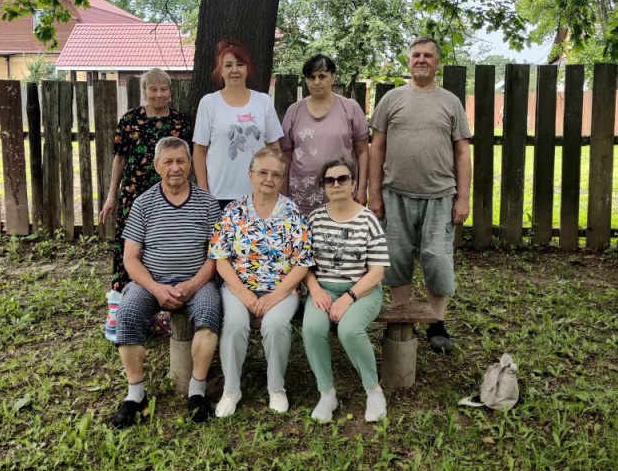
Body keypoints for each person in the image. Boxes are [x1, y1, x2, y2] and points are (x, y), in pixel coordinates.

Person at [368, 36, 472, 353]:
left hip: (440, 196)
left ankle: (437, 325)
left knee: (437, 259)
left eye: (428, 55)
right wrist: (374, 194)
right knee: (397, 259)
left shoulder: (451, 102)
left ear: (437, 62)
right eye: (416, 55)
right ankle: (404, 319)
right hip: (395, 194)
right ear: (408, 61)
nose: (422, 60)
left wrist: (463, 198)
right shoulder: (391, 99)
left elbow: (462, 152)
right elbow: (377, 148)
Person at [110, 137, 221, 428]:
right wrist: (157, 289)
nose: (175, 168)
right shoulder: (143, 203)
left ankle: (197, 391)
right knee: (128, 314)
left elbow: (215, 257)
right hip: (151, 281)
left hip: (197, 282)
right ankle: (136, 394)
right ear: (157, 166)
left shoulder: (208, 204)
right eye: (168, 162)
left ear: (190, 165)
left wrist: (193, 285)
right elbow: (131, 258)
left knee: (210, 316)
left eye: (181, 161)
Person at [208, 146, 314, 417]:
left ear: (282, 179)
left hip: (282, 288)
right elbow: (221, 259)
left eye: (276, 175)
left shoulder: (293, 213)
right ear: (250, 174)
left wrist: (274, 296)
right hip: (238, 287)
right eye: (263, 172)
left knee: (276, 325)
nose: (269, 179)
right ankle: (231, 389)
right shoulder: (233, 211)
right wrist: (245, 296)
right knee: (233, 324)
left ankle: (276, 387)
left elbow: (302, 262)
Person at [303, 157, 390, 422]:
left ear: (353, 183)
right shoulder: (314, 219)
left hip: (362, 290)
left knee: (349, 329)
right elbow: (304, 263)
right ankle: (327, 393)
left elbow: (377, 270)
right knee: (312, 328)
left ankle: (373, 391)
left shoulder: (368, 220)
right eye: (330, 180)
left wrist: (349, 297)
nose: (336, 184)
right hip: (323, 289)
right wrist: (315, 289)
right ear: (323, 186)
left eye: (343, 178)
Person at [99, 68, 193, 293]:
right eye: (153, 89)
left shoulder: (181, 122)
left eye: (164, 89)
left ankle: (162, 291)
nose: (159, 94)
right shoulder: (130, 120)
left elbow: (189, 160)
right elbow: (119, 159)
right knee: (130, 244)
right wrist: (112, 196)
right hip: (134, 194)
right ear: (144, 92)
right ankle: (124, 295)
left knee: (163, 241)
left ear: (171, 91)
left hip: (170, 195)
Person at [193, 39, 283, 211]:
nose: (235, 70)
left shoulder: (263, 101)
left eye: (240, 64)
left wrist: (275, 182)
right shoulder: (209, 103)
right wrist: (204, 191)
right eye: (228, 65)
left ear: (247, 68)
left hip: (258, 192)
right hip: (219, 194)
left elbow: (274, 146)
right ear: (220, 71)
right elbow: (199, 150)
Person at [280, 54, 369, 215]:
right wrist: (282, 196)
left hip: (341, 194)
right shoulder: (294, 111)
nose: (316, 82)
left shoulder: (350, 108)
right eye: (311, 77)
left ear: (333, 77)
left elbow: (363, 151)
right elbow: (285, 155)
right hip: (301, 200)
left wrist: (362, 189)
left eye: (322, 76)